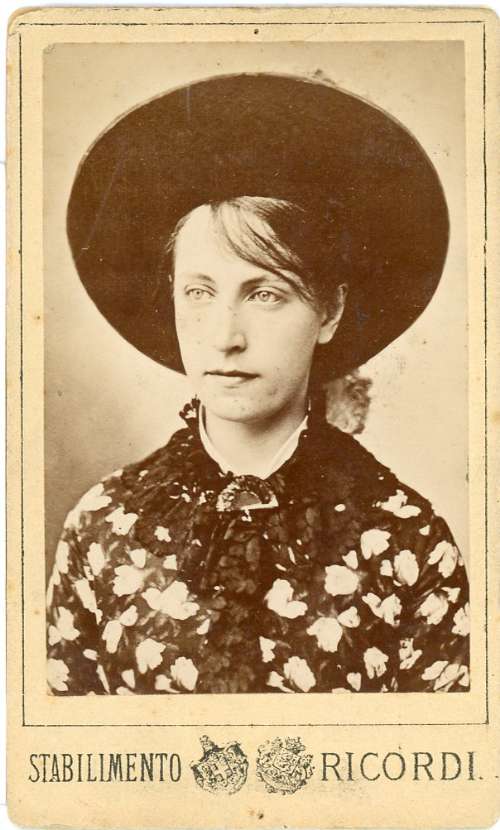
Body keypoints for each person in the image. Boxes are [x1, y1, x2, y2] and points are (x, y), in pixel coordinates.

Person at [46, 73, 469, 695]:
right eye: (199, 293)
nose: (225, 337)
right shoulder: (104, 526)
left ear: (329, 311)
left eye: (265, 294)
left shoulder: (405, 538)